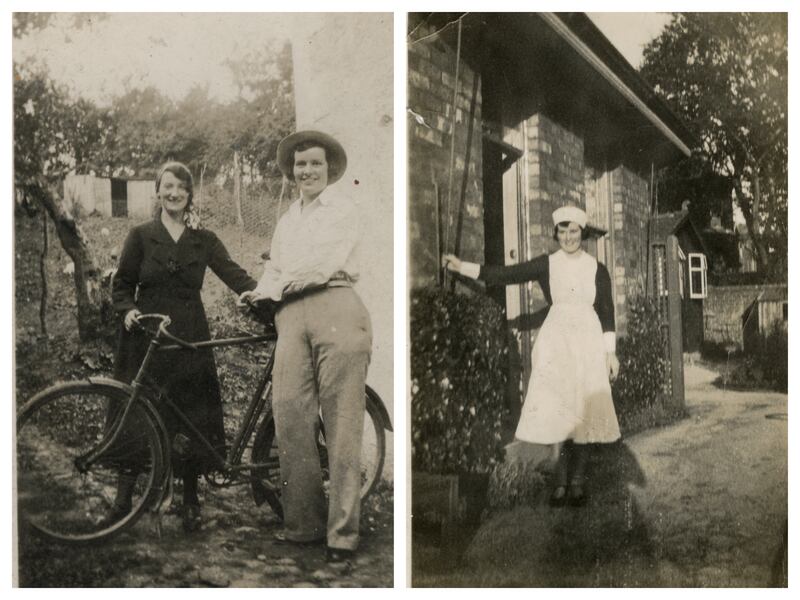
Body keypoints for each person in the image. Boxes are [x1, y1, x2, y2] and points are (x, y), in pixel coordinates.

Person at [240, 130, 372, 563]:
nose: (308, 171)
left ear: (329, 169)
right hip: (290, 316)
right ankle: (303, 525)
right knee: (290, 416)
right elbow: (277, 269)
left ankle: (342, 535)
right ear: (291, 171)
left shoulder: (343, 209)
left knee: (341, 422)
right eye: (301, 165)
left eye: (315, 164)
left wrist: (279, 285)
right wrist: (259, 292)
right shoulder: (287, 220)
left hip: (336, 308)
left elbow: (321, 264)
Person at [111, 161, 257, 532]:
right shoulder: (141, 235)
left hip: (189, 336)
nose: (174, 193)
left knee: (191, 415)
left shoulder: (203, 239)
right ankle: (123, 498)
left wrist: (261, 295)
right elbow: (122, 283)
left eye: (181, 188)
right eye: (168, 186)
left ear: (190, 194)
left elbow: (233, 274)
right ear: (158, 191)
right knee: (136, 411)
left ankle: (190, 499)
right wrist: (128, 311)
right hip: (147, 336)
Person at [443, 205, 620, 507]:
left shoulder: (596, 268)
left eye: (573, 231)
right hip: (557, 345)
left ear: (583, 233)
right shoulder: (547, 264)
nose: (568, 237)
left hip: (588, 344)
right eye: (562, 231)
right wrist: (462, 268)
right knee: (560, 412)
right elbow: (507, 274)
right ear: (556, 233)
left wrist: (610, 354)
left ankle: (577, 482)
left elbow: (606, 312)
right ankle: (560, 482)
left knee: (584, 413)